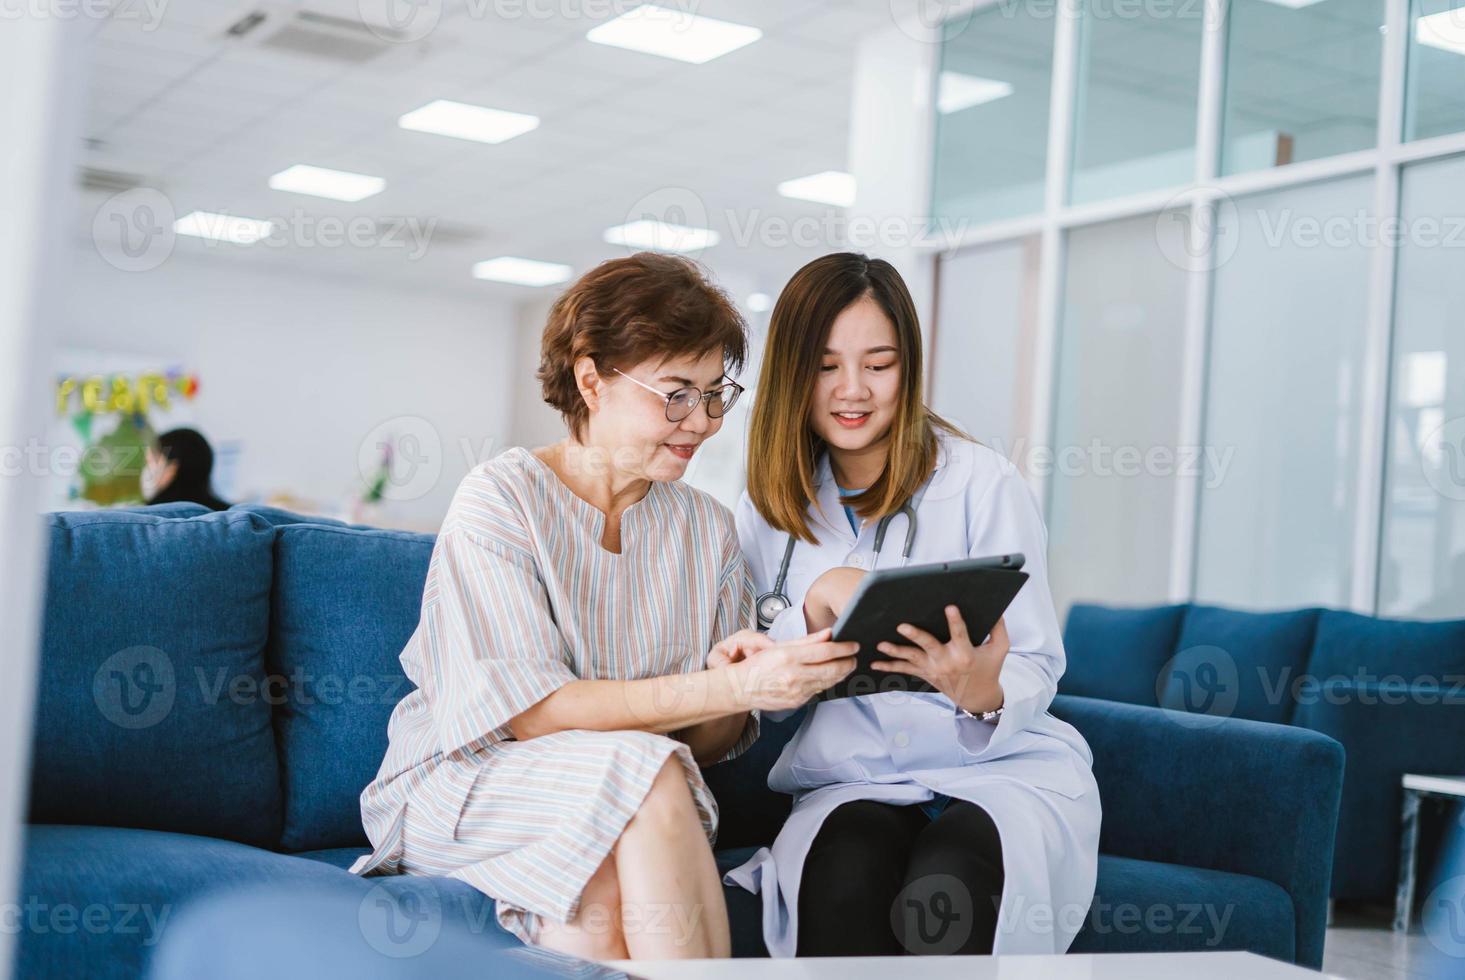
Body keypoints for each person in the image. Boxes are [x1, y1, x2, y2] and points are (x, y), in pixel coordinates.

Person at [350, 253, 858, 960]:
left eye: (716, 394)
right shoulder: (502, 497)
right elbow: (531, 714)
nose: (703, 421)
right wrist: (725, 685)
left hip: (623, 794)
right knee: (644, 772)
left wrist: (726, 689)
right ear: (592, 380)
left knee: (596, 909)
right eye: (677, 392)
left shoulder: (705, 529)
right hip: (473, 780)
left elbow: (705, 747)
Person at [725, 252, 1101, 956]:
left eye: (879, 363)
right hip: (855, 775)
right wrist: (807, 613)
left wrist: (985, 690)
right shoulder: (767, 508)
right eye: (827, 364)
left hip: (999, 771)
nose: (853, 390)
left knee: (950, 881)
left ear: (909, 367)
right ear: (791, 375)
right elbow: (764, 702)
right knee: (844, 871)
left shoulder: (982, 483)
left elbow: (1039, 658)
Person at [142, 427, 229, 511]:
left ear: (172, 469)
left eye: (150, 462)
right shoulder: (231, 515)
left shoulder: (143, 520)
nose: (147, 469)